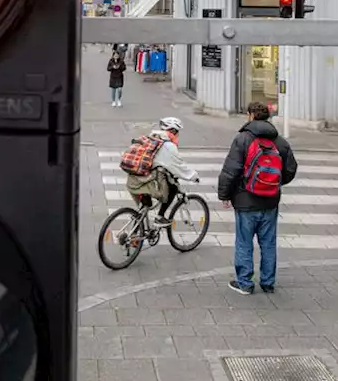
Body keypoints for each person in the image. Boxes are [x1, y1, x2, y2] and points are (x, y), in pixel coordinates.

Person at [217, 101, 297, 295]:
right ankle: (268, 282)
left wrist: (225, 194)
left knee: (244, 242)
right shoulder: (280, 142)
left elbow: (231, 170)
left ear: (250, 115)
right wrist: (274, 183)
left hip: (245, 200)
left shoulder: (243, 139)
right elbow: (290, 169)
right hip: (270, 201)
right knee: (268, 243)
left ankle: (244, 283)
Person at [125, 117, 198, 225]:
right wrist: (193, 176)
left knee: (143, 210)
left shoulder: (151, 138)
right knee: (173, 188)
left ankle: (136, 234)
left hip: (133, 179)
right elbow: (178, 166)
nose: (178, 135)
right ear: (173, 131)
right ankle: (160, 217)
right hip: (145, 182)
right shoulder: (168, 146)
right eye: (177, 132)